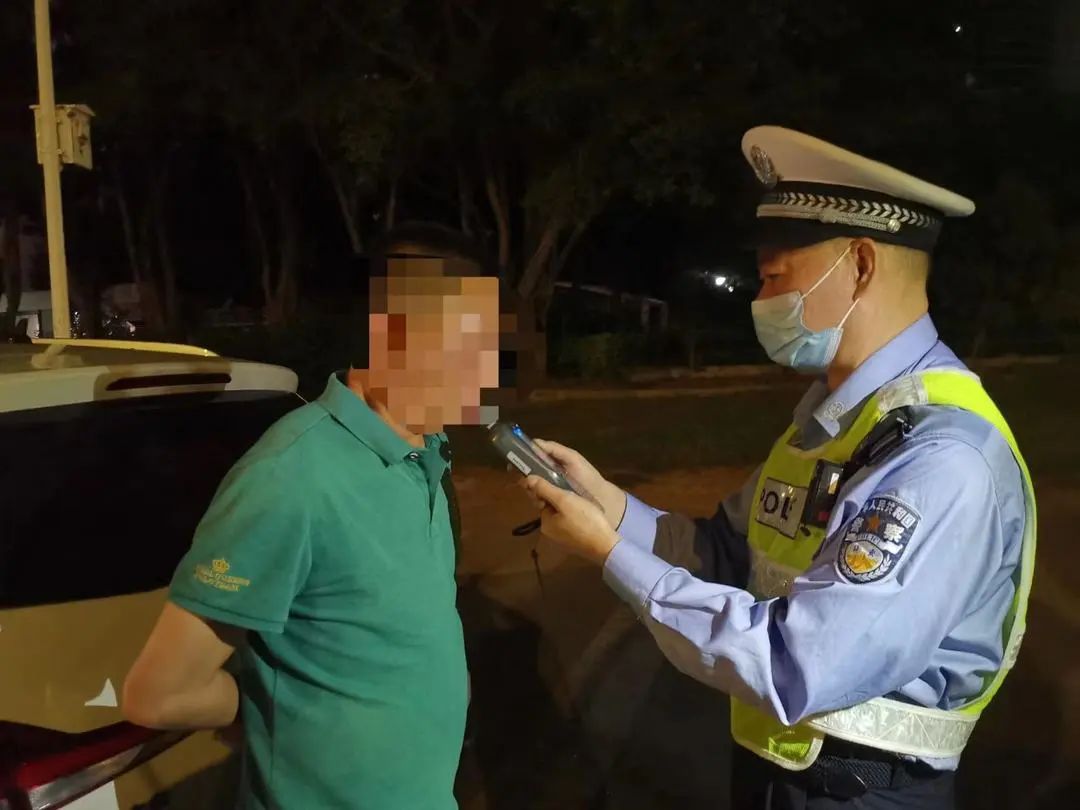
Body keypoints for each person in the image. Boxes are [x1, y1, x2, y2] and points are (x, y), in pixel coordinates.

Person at [521, 126, 1036, 809]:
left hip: (863, 793)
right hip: (778, 774)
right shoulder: (829, 424)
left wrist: (610, 553)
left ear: (860, 265)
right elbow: (725, 552)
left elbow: (797, 665)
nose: (758, 300)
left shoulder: (941, 457)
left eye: (775, 277)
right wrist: (609, 506)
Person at [122, 224, 502, 810]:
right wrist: (271, 710)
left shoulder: (425, 454)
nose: (485, 375)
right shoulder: (292, 477)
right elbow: (158, 695)